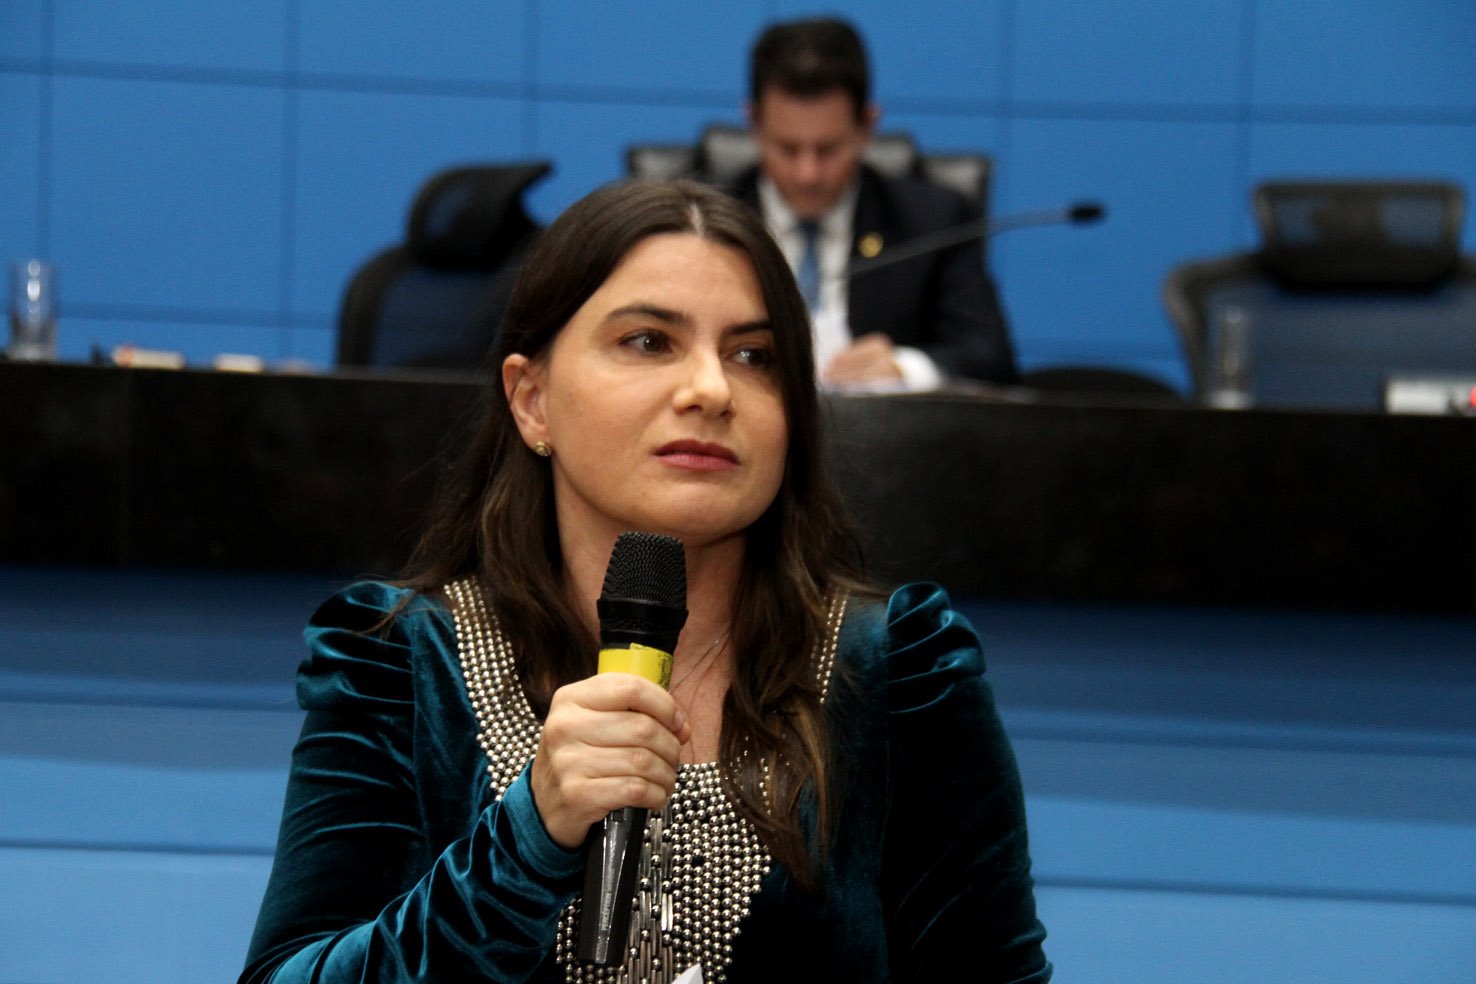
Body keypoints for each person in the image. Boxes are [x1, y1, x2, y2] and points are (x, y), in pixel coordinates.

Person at [239, 179, 1050, 983]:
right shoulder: (402, 662)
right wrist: (527, 839)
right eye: (649, 342)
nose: (711, 390)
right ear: (532, 400)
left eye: (754, 356)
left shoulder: (897, 668)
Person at [732, 16, 1018, 390]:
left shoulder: (934, 221)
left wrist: (903, 367)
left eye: (827, 149)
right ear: (753, 124)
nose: (807, 174)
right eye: (787, 148)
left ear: (867, 126)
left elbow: (991, 357)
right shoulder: (704, 222)